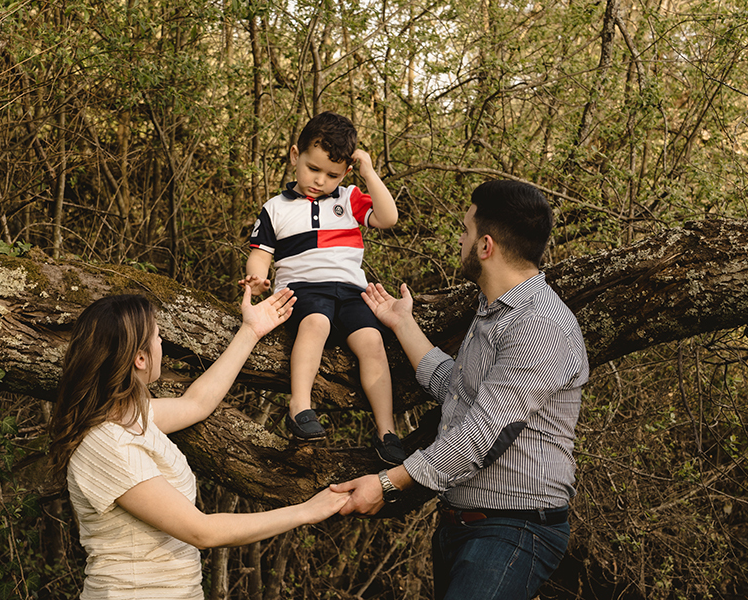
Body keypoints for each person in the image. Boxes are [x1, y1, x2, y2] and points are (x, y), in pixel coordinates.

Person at [331, 180, 590, 600]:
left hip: (514, 529)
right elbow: (459, 391)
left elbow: (484, 435)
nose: (460, 238)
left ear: (485, 246)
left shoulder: (540, 325)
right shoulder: (494, 311)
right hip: (463, 526)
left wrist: (387, 483)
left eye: (466, 231)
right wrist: (403, 324)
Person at [47, 288, 350, 599]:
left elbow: (197, 403)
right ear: (139, 358)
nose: (161, 342)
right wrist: (306, 512)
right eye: (157, 336)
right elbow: (202, 532)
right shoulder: (106, 443)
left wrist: (251, 330)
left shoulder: (131, 419)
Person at [239, 111, 406, 465]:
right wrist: (257, 279)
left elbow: (388, 218)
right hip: (303, 289)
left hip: (349, 291)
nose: (320, 180)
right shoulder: (276, 208)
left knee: (372, 342)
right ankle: (300, 406)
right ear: (294, 154)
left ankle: (386, 430)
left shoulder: (348, 198)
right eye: (313, 169)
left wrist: (369, 173)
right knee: (316, 323)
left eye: (331, 175)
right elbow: (260, 255)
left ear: (345, 172)